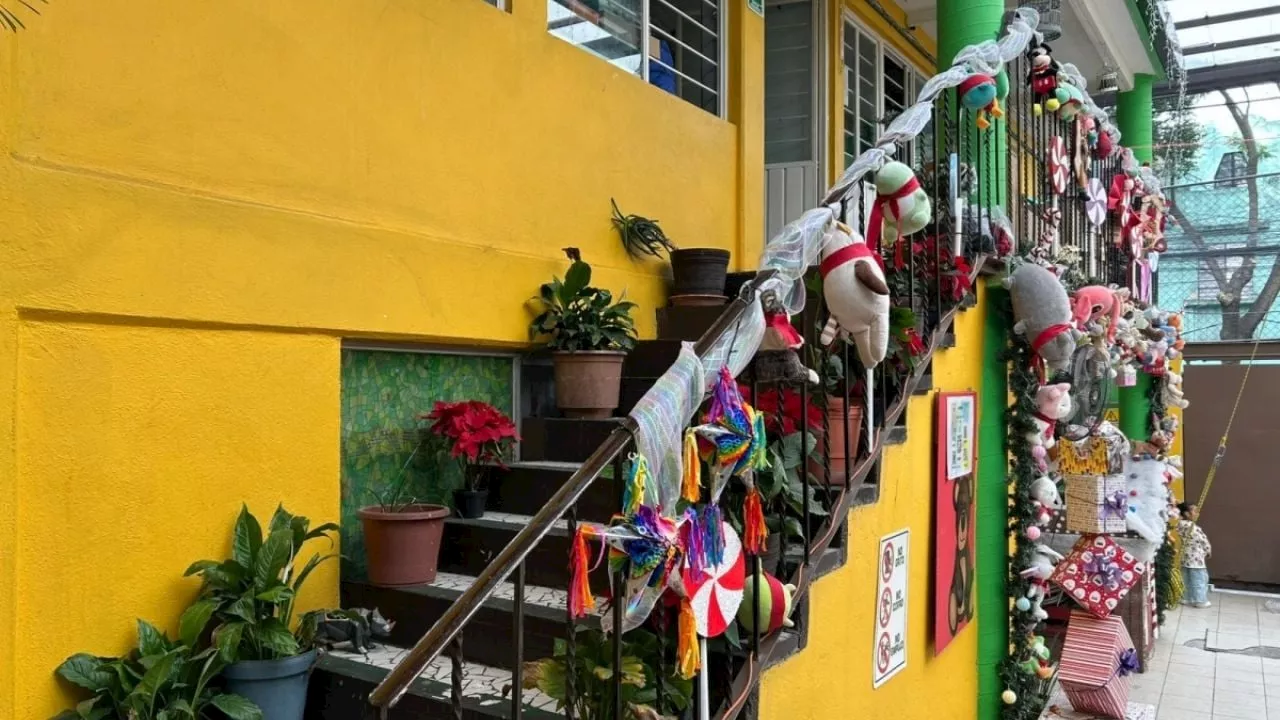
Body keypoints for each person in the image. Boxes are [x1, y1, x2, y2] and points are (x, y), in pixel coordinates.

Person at [1178, 502, 1212, 608]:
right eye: (1195, 511)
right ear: (1187, 514)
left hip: (1186, 556)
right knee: (1199, 579)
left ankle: (1186, 598)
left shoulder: (1180, 525)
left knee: (1186, 578)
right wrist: (1208, 550)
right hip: (1196, 558)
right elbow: (1201, 540)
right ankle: (1200, 600)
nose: (1198, 513)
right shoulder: (1193, 527)